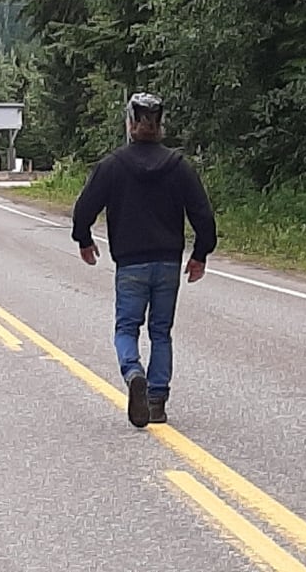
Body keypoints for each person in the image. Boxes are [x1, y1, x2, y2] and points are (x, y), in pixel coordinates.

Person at [71, 92, 217, 428]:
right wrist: (200, 254)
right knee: (161, 331)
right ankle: (157, 399)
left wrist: (84, 239)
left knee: (126, 328)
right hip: (167, 263)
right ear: (160, 125)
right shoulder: (179, 167)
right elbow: (203, 215)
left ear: (131, 124)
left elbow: (84, 208)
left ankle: (133, 371)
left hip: (130, 264)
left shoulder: (112, 166)